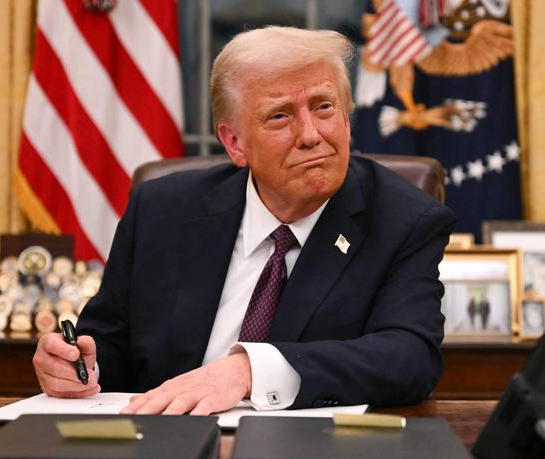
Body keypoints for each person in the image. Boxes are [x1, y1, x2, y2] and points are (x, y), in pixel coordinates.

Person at [32, 26, 455, 414]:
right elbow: (107, 344)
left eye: (324, 107)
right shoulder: (162, 210)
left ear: (346, 119)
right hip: (164, 449)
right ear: (234, 143)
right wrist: (77, 367)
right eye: (280, 116)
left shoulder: (404, 220)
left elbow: (410, 357)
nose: (310, 134)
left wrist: (249, 370)